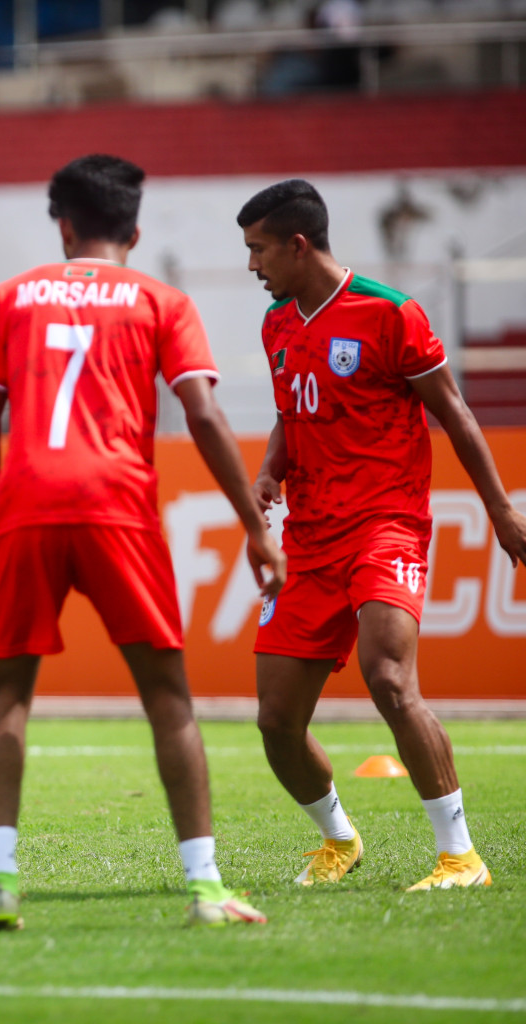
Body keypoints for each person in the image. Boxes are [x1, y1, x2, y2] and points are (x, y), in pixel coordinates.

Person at [0, 155, 285, 932]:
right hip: (117, 506)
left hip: (25, 505)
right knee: (168, 700)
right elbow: (204, 416)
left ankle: (1, 880)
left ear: (63, 225)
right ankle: (206, 887)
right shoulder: (159, 300)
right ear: (134, 230)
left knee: (8, 694)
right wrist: (252, 523)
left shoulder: (9, 298)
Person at [239, 179, 526, 891]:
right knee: (275, 719)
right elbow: (292, 412)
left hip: (385, 526)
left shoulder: (390, 314)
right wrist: (270, 470)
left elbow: (455, 415)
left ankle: (461, 857)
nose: (252, 265)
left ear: (298, 245)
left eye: (259, 249)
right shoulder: (277, 323)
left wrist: (501, 511)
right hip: (308, 540)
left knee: (390, 679)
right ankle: (340, 840)